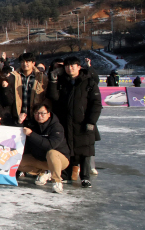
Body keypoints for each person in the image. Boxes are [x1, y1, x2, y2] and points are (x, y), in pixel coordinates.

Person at [47, 56, 102, 188]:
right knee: (67, 148)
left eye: (72, 65)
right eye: (66, 66)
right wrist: (53, 81)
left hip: (83, 122)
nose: (69, 68)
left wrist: (91, 121)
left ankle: (85, 177)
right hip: (65, 121)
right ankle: (65, 174)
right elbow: (53, 98)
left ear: (78, 67)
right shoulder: (61, 81)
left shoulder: (89, 82)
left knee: (85, 149)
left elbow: (96, 104)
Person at [19, 104, 70, 193]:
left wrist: (32, 134)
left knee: (52, 153)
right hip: (41, 160)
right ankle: (44, 172)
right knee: (17, 162)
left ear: (49, 114)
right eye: (37, 113)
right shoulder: (32, 124)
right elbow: (17, 134)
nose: (39, 116)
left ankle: (57, 182)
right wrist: (19, 122)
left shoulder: (56, 127)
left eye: (43, 113)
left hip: (60, 160)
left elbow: (51, 145)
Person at [11, 52, 48, 122]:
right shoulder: (14, 77)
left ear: (33, 63)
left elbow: (45, 97)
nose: (25, 64)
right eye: (22, 62)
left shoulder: (41, 78)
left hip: (35, 116)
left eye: (28, 61)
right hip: (19, 116)